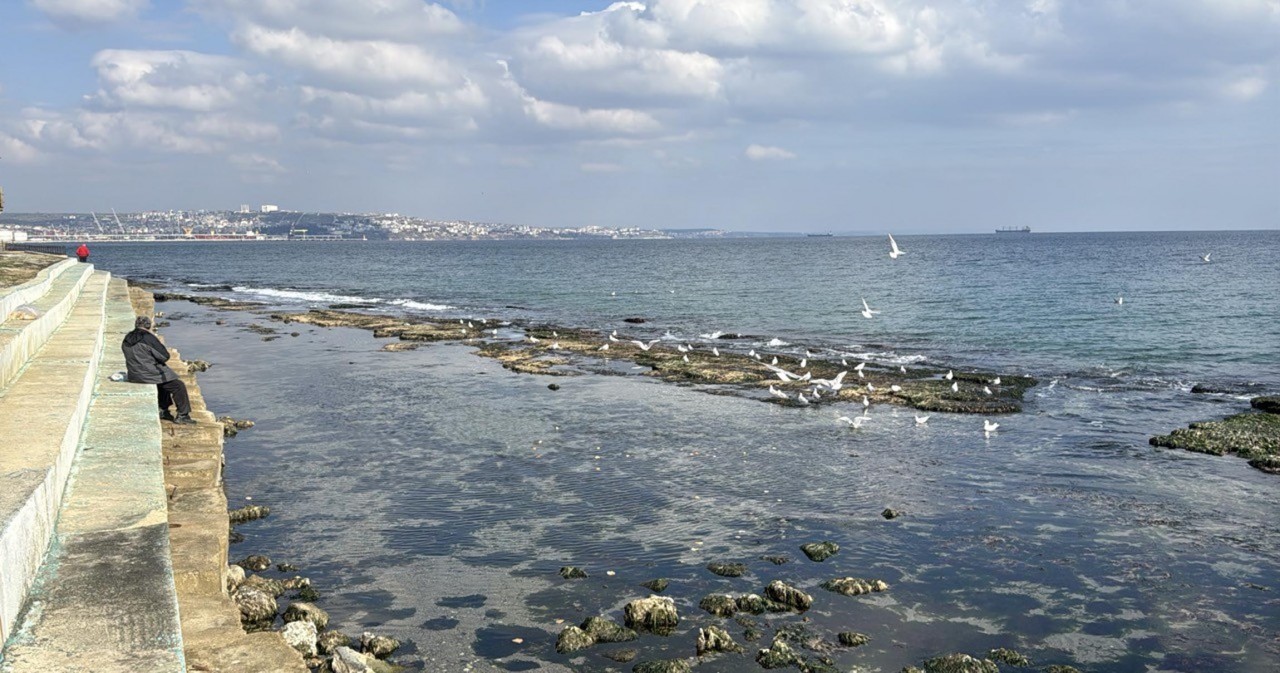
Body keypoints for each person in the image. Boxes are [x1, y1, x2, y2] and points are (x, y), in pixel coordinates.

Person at [122, 315, 195, 424]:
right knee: (178, 385)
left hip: (134, 374)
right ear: (149, 326)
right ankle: (183, 415)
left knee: (165, 380)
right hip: (148, 374)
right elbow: (165, 356)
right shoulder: (148, 338)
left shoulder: (127, 338)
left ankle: (163, 409)